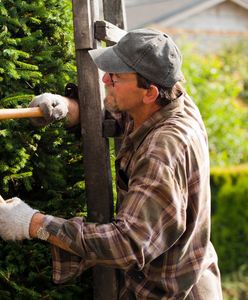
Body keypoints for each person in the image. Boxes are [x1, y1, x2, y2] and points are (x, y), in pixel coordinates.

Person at [0, 28, 223, 299]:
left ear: (150, 92)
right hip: (186, 275)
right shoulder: (170, 100)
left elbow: (127, 244)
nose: (105, 78)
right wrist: (70, 108)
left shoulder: (163, 151)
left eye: (116, 76)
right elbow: (127, 116)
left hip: (173, 292)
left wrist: (33, 223)